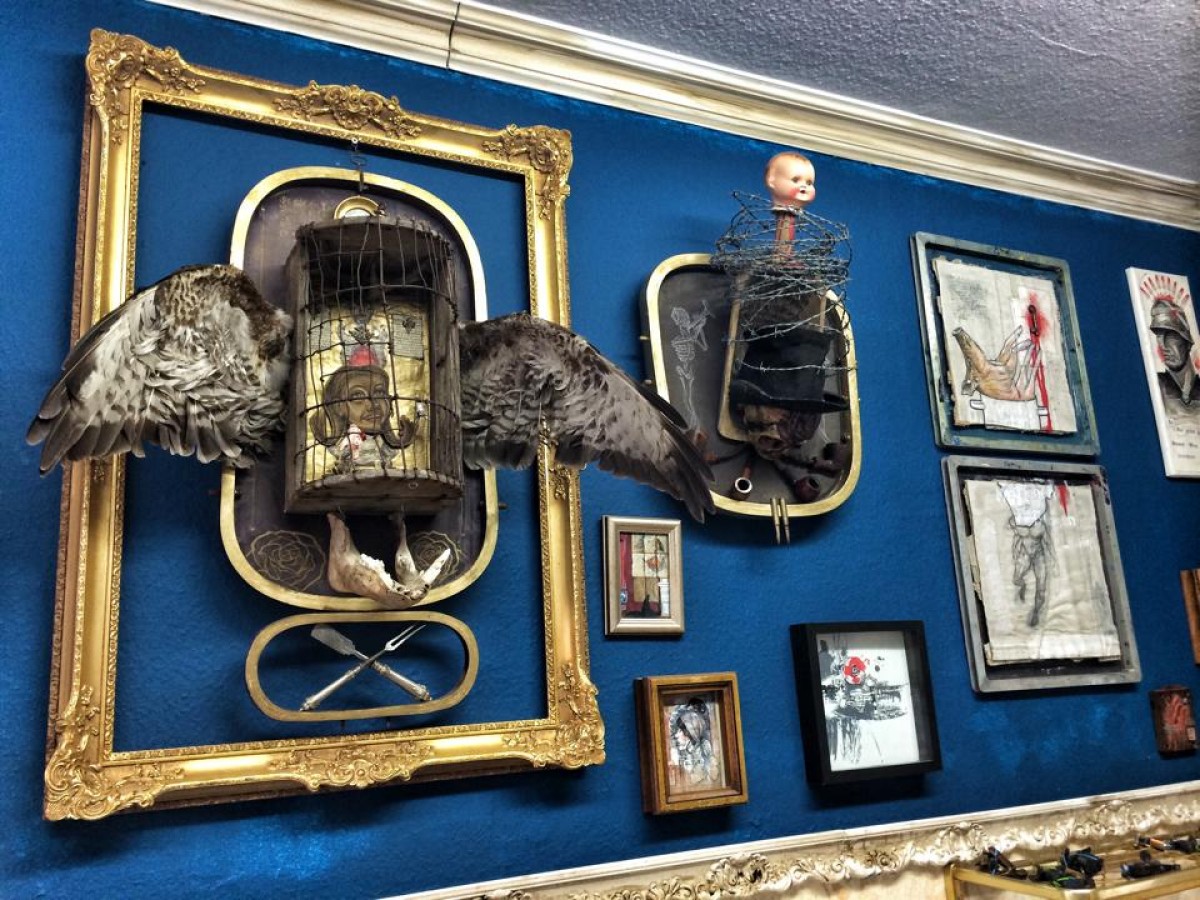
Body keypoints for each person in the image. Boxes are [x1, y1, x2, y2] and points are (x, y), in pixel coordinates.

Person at [309, 364, 414, 473]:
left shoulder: (387, 450)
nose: (374, 405)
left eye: (379, 393)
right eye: (358, 396)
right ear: (338, 406)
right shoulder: (343, 446)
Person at [1149, 297, 1198, 405]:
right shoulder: (1157, 385)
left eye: (1170, 336)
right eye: (1158, 336)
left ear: (1187, 342)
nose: (1162, 346)